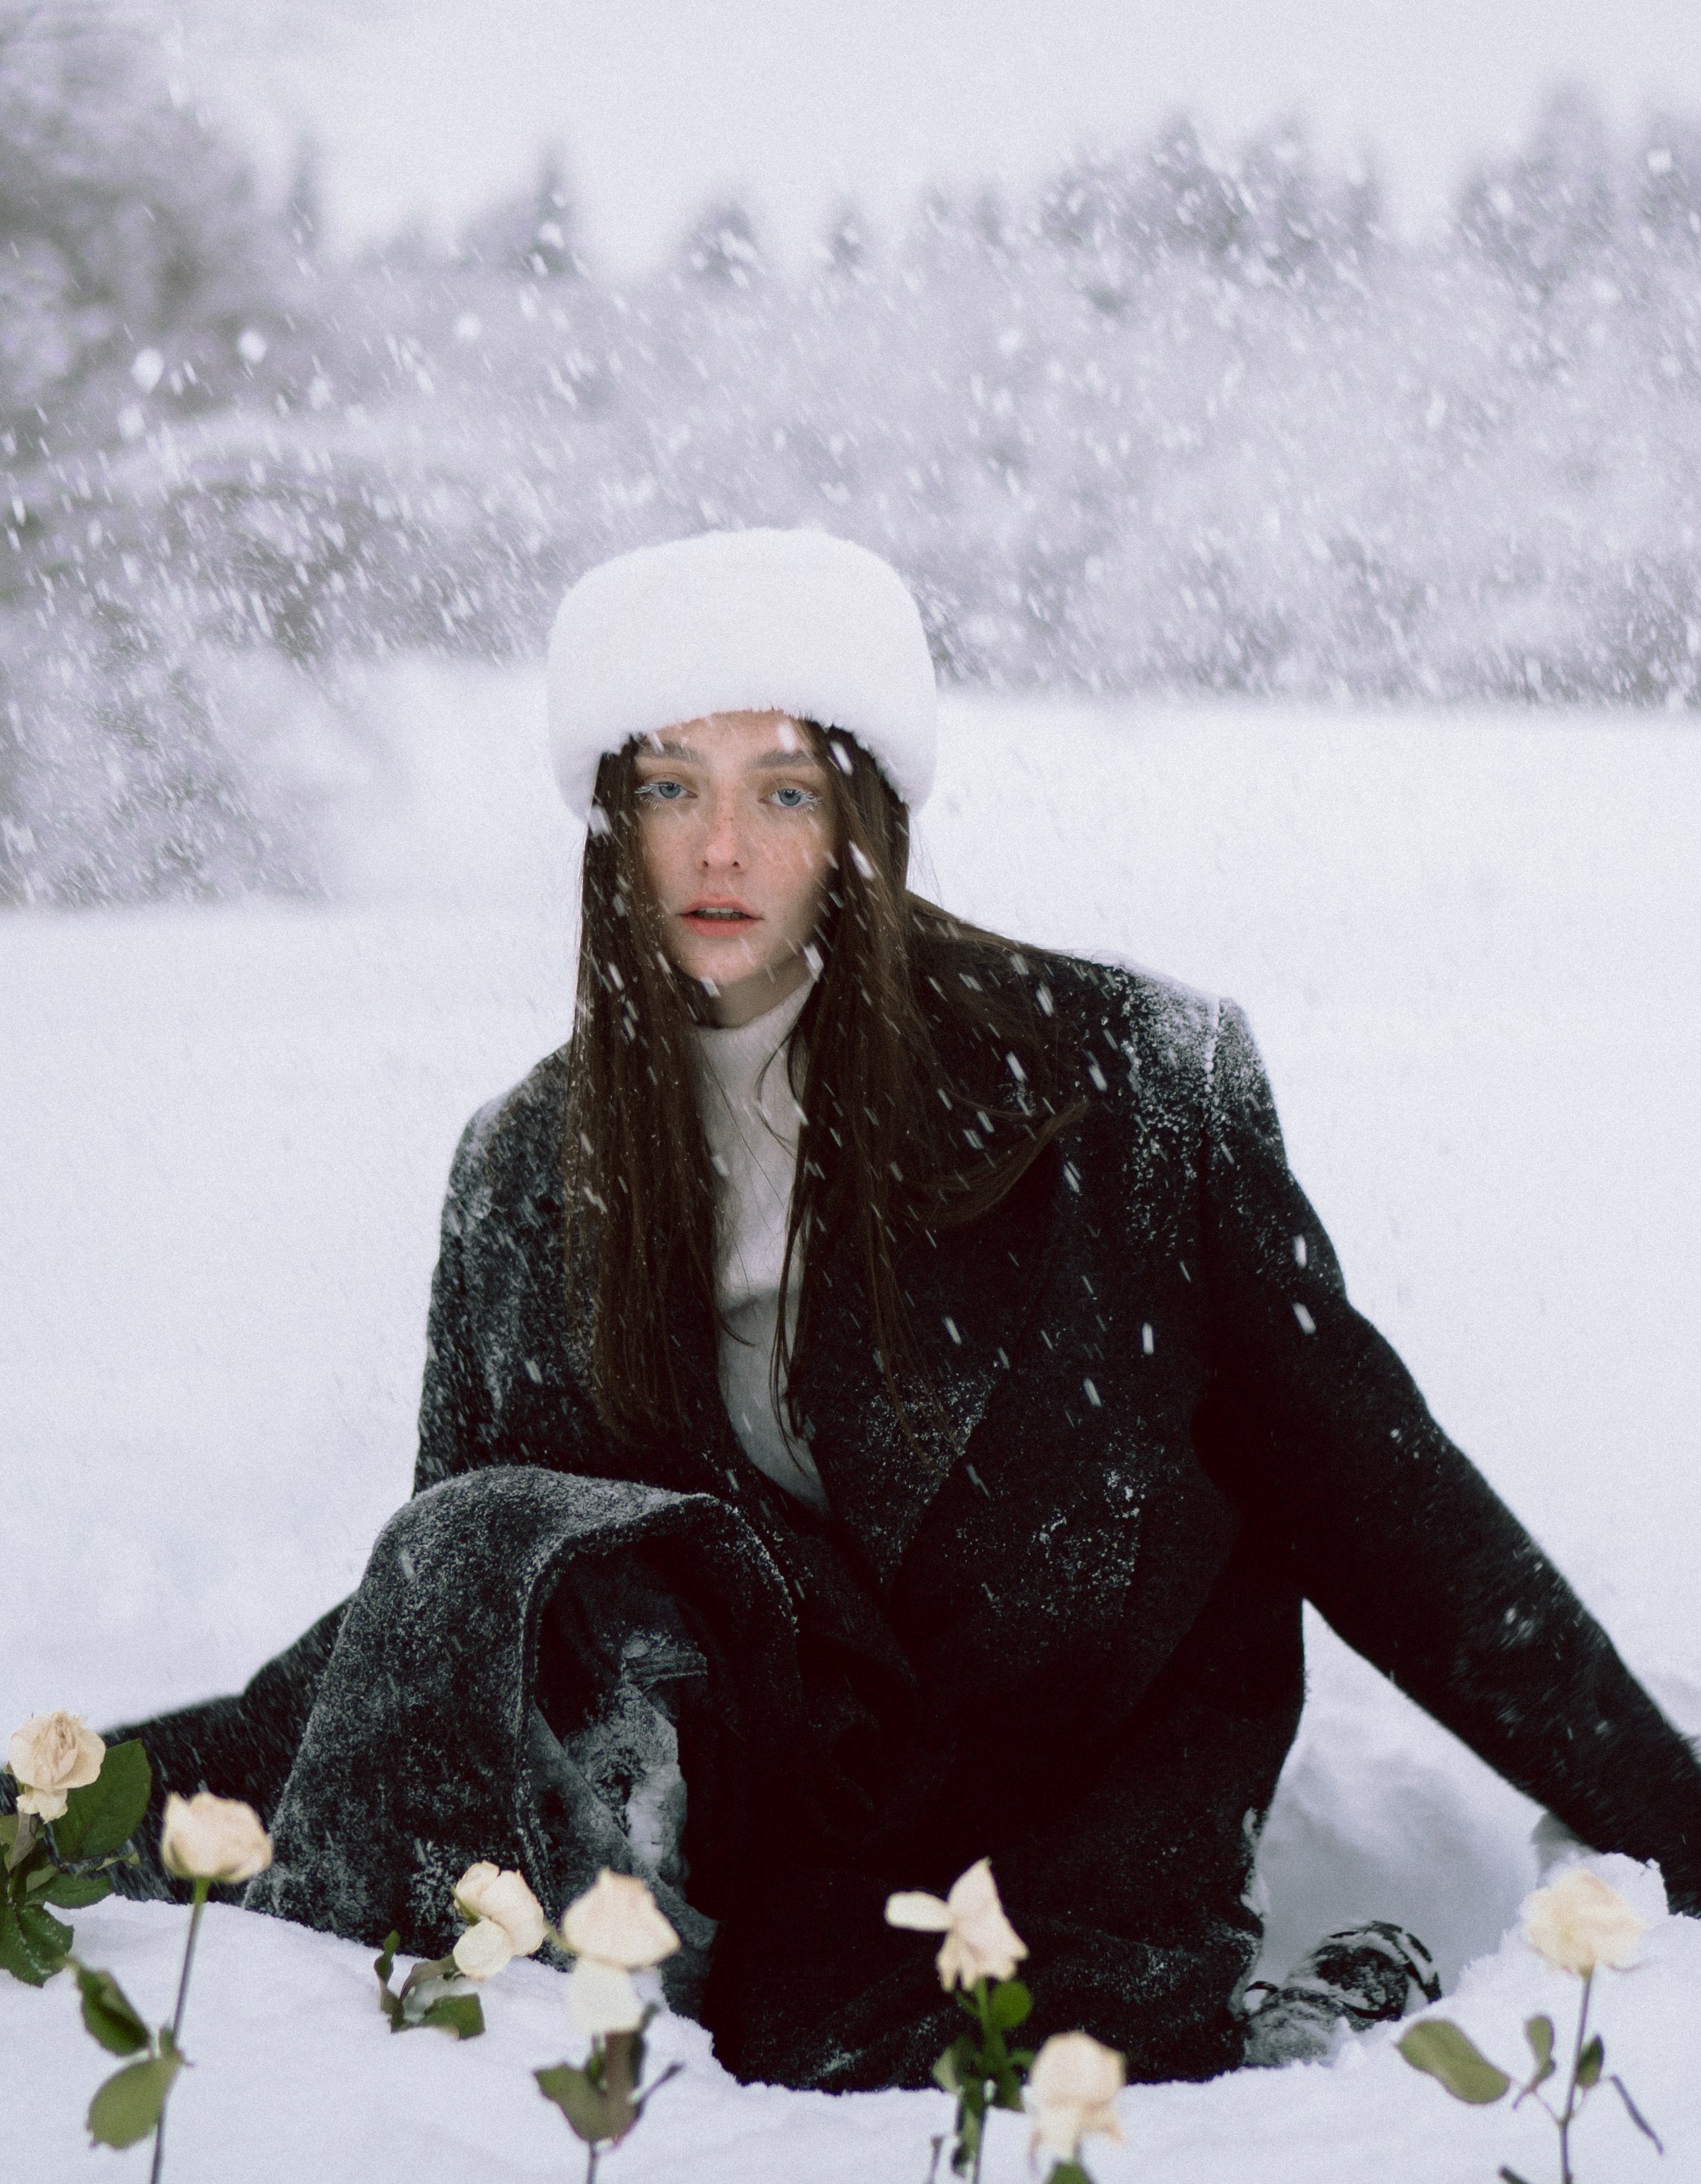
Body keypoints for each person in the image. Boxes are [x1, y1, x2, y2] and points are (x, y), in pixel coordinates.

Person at [108, 527, 1701, 2089]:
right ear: (610, 820)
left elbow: (1380, 1496)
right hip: (770, 1840)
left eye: (780, 791)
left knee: (977, 2082)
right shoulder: (523, 1171)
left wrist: (1666, 1812)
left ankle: (1323, 2003)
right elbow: (473, 1621)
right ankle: (408, 2084)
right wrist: (94, 1808)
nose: (720, 850)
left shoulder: (1127, 1085)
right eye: (670, 788)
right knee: (500, 1553)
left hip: (1071, 1820)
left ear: (859, 812)